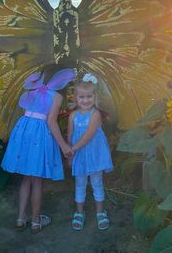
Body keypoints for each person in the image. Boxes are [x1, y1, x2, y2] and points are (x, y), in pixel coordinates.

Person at [1, 67, 75, 233]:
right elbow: (51, 122)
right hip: (40, 136)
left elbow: (26, 114)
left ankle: (20, 218)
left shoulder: (29, 92)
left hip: (23, 133)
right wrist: (63, 145)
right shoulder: (56, 96)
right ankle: (35, 221)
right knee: (37, 181)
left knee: (26, 179)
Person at [67, 73, 114, 231]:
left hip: (94, 154)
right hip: (79, 155)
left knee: (96, 182)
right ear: (75, 97)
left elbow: (88, 136)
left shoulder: (96, 115)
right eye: (82, 97)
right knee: (80, 184)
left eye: (89, 96)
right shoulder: (73, 115)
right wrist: (69, 153)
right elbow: (70, 135)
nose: (85, 100)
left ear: (95, 96)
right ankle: (79, 212)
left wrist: (72, 149)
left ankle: (100, 212)